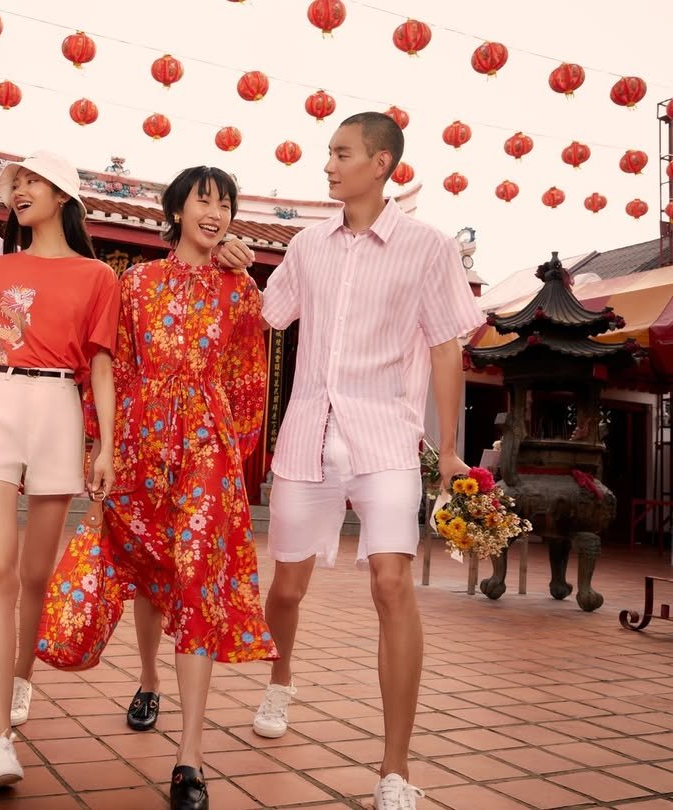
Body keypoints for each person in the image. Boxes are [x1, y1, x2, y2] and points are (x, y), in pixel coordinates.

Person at [252, 112, 484, 810]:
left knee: (391, 584)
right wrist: (231, 256)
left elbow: (446, 347)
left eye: (341, 153)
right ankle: (279, 680)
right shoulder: (306, 246)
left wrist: (448, 451)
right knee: (286, 588)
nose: (328, 164)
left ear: (381, 163)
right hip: (307, 438)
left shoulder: (428, 247)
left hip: (386, 439)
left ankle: (395, 769)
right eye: (328, 153)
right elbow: (269, 313)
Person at [94, 166, 277, 810]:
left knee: (196, 579)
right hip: (142, 444)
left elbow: (249, 376)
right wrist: (106, 445)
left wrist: (232, 452)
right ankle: (148, 680)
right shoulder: (137, 282)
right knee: (153, 571)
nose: (216, 213)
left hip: (207, 448)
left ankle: (190, 759)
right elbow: (116, 365)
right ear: (176, 210)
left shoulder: (240, 290)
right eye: (204, 200)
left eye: (226, 203)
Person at [0, 150, 119, 791]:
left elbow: (101, 363)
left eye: (33, 182)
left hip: (60, 408)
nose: (20, 191)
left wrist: (106, 445)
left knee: (36, 574)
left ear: (63, 197)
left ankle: (21, 674)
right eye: (15, 184)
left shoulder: (98, 276)